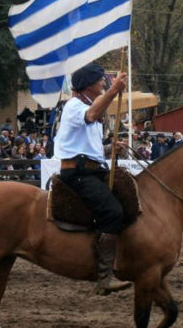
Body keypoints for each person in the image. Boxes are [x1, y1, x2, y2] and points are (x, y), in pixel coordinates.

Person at [54, 63, 131, 296]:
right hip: (78, 173)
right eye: (100, 80)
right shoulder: (75, 106)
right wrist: (114, 90)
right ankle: (104, 276)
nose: (103, 83)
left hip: (91, 169)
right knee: (113, 212)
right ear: (89, 85)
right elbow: (92, 115)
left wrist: (109, 148)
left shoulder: (88, 106)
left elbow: (88, 147)